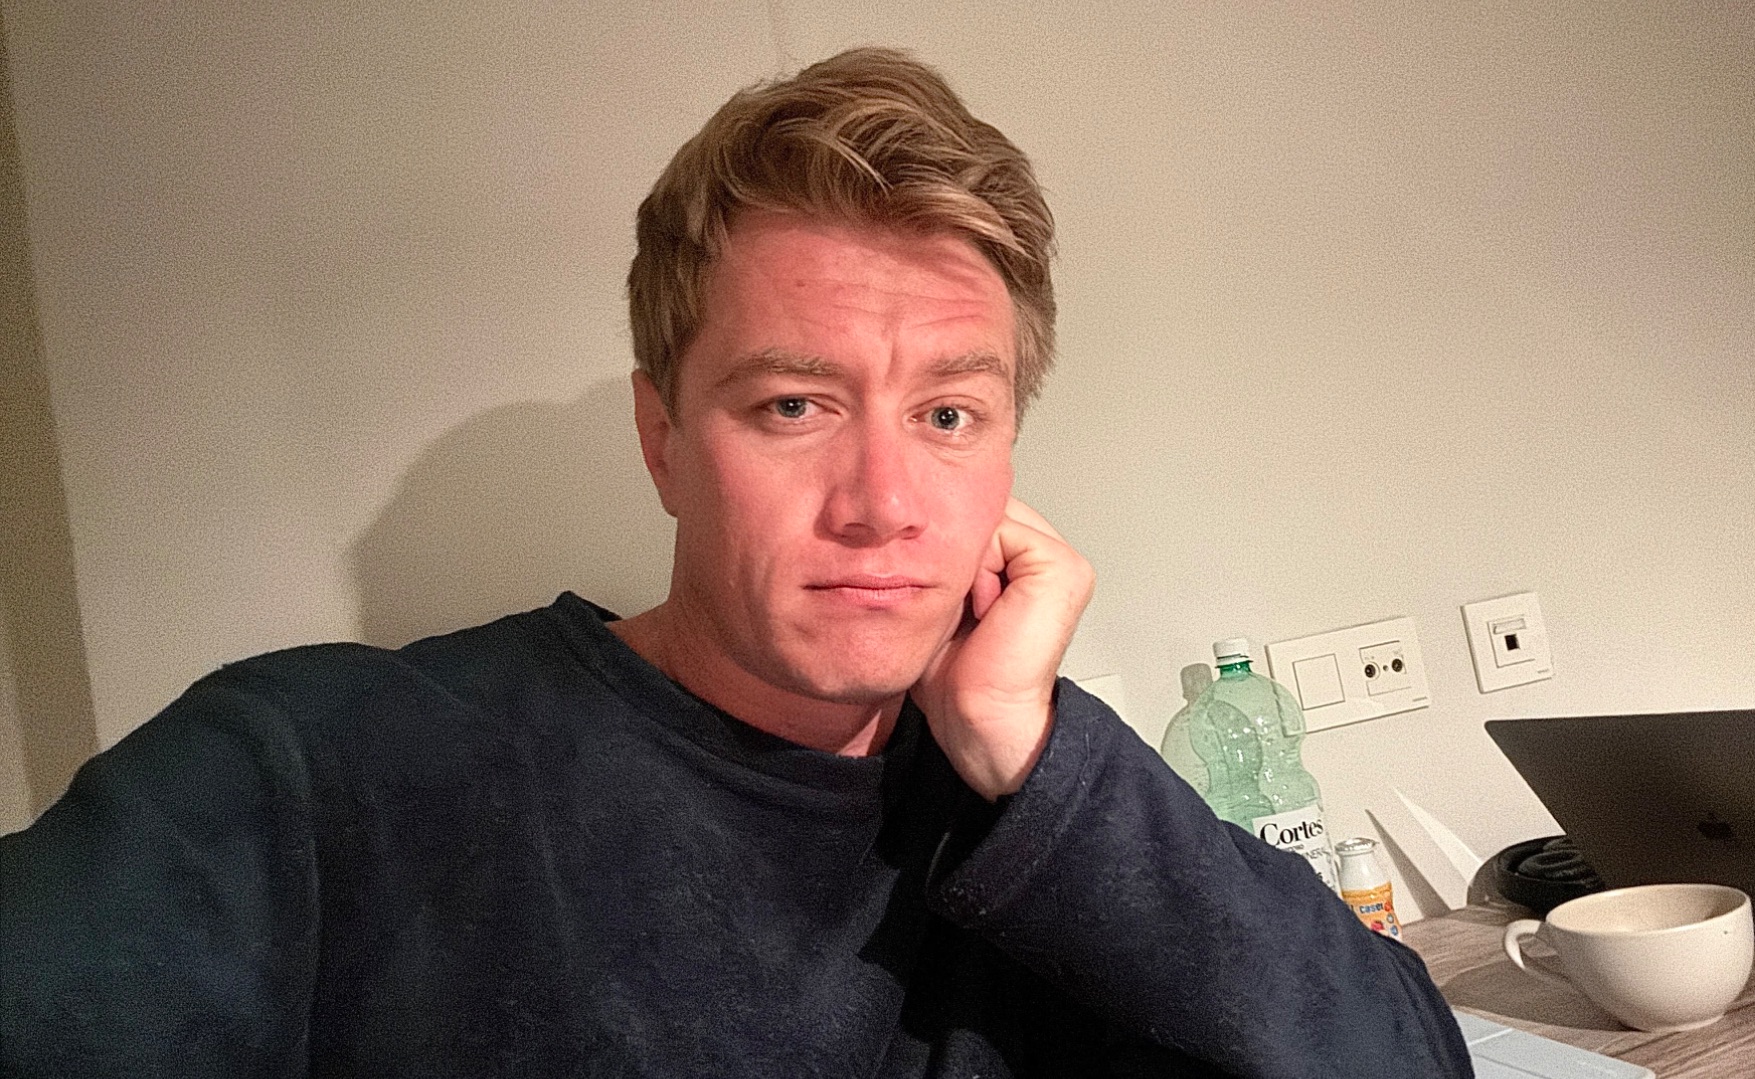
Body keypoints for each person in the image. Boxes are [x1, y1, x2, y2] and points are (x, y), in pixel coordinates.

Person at [1, 48, 1472, 1077]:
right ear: (663, 440)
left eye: (948, 416)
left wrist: (1037, 755)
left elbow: (1408, 1056)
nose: (884, 503)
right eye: (794, 406)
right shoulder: (315, 773)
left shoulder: (1034, 806)